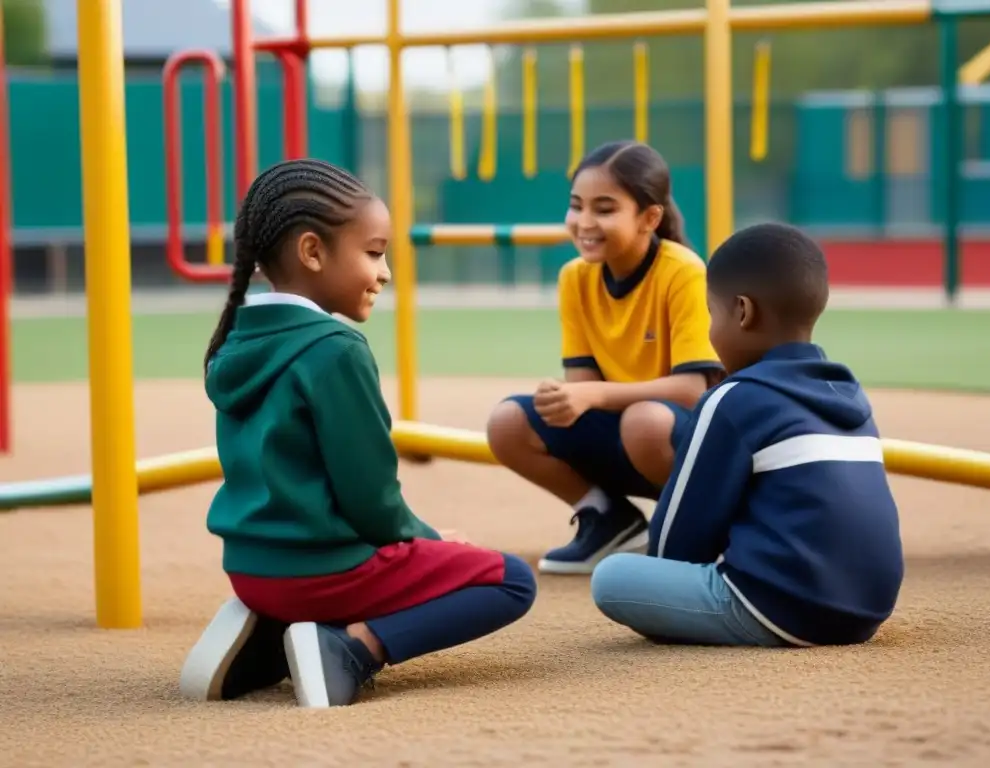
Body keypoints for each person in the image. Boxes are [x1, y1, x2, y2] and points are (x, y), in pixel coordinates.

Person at [178, 159, 536, 709]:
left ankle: (268, 642)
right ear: (313, 252)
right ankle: (350, 649)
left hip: (250, 573)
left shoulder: (236, 341)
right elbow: (371, 501)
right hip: (321, 572)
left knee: (416, 563)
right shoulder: (335, 349)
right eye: (373, 252)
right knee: (511, 580)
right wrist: (431, 539)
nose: (385, 271)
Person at [590, 222, 905, 648]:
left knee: (613, 577)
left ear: (742, 311)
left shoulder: (734, 398)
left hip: (781, 609)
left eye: (711, 314)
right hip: (869, 611)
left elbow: (673, 549)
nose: (709, 331)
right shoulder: (847, 392)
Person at [486, 141, 724, 576]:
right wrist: (565, 397)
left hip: (683, 442)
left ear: (650, 217)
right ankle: (609, 520)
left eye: (605, 208)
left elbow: (693, 392)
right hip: (628, 433)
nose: (585, 222)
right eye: (576, 206)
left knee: (644, 421)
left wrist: (591, 394)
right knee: (507, 423)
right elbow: (582, 383)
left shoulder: (683, 271)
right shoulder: (575, 277)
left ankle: (697, 533)